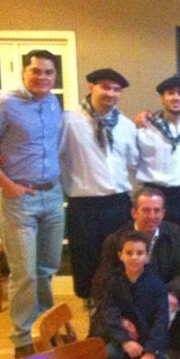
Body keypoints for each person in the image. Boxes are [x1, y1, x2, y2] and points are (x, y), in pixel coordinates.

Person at [0, 50, 65, 358]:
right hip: (19, 199)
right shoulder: (6, 104)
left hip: (53, 194)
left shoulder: (52, 102)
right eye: (36, 71)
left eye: (48, 72)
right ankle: (22, 338)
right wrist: (8, 185)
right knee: (25, 273)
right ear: (24, 73)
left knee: (47, 269)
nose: (42, 77)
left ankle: (46, 328)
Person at [93, 188, 180, 357]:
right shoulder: (115, 240)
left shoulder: (174, 232)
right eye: (146, 210)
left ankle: (173, 343)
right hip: (130, 302)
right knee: (111, 354)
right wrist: (120, 321)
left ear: (163, 212)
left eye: (157, 210)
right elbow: (101, 284)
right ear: (134, 212)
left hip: (163, 295)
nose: (152, 216)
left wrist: (172, 293)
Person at [59, 68, 137, 301]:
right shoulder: (69, 121)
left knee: (119, 258)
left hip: (119, 202)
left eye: (116, 89)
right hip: (85, 204)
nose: (110, 93)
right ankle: (92, 309)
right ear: (91, 87)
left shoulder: (126, 125)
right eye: (105, 87)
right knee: (86, 260)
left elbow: (133, 161)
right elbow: (52, 155)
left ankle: (116, 307)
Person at [90, 230, 169, 359]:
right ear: (120, 255)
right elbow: (109, 312)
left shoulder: (157, 285)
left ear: (147, 257)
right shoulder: (113, 282)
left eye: (139, 253)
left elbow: (161, 320)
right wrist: (125, 340)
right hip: (126, 342)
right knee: (106, 353)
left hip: (149, 343)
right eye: (129, 253)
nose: (134, 257)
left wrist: (150, 352)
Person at [135, 76, 180, 226]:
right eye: (171, 93)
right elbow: (133, 160)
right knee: (151, 241)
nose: (176, 98)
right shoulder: (146, 127)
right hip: (153, 193)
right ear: (162, 98)